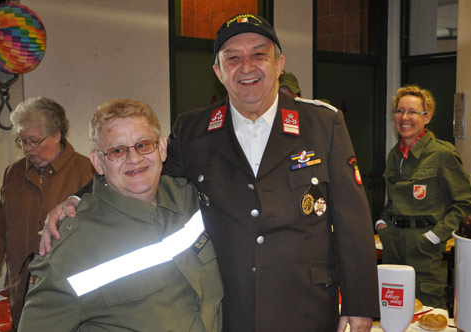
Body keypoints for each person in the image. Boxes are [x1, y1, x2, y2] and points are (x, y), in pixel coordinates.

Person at [41, 14, 379, 332]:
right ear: (218, 71)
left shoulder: (323, 124)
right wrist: (76, 198)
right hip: (230, 308)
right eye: (232, 58)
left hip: (306, 307)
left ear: (279, 64)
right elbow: (137, 168)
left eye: (259, 55)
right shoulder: (194, 130)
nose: (246, 67)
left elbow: (353, 218)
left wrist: (360, 300)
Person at [18, 99, 222, 332]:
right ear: (98, 162)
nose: (134, 158)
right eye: (117, 151)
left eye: (143, 145)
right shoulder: (70, 253)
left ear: (162, 148)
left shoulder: (191, 200)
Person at [0, 96, 95, 329]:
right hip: (22, 292)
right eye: (23, 141)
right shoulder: (13, 174)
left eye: (35, 141)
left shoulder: (87, 172)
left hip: (69, 296)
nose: (28, 149)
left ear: (57, 135)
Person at [376, 85, 471, 309]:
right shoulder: (395, 154)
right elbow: (393, 200)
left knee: (427, 312)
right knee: (392, 308)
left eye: (413, 112)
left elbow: (465, 204)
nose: (404, 118)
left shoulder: (443, 154)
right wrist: (382, 223)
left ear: (427, 117)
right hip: (393, 244)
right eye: (400, 111)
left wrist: (434, 236)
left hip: (424, 247)